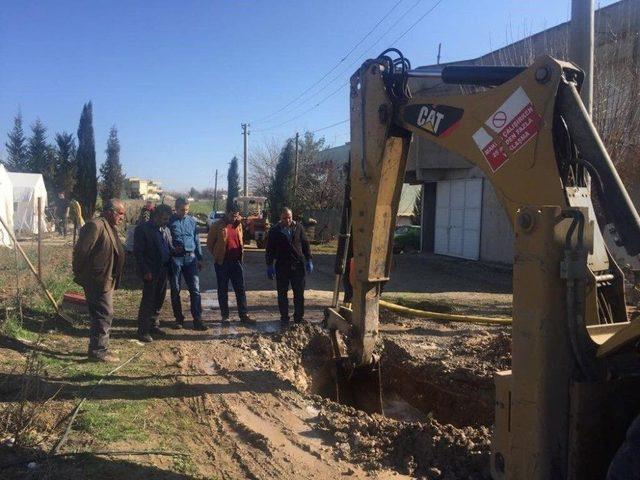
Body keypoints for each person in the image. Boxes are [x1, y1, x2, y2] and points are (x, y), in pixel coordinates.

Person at [72, 199, 125, 362]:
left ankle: (99, 349)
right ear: (111, 212)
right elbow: (81, 252)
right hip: (97, 280)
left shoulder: (108, 225)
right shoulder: (95, 225)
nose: (122, 218)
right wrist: (82, 273)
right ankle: (98, 352)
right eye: (121, 214)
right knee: (103, 314)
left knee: (102, 315)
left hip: (106, 279)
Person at [265, 207, 313, 325]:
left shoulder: (299, 228)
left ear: (292, 217)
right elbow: (269, 249)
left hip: (298, 265)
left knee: (299, 293)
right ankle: (284, 318)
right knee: (282, 293)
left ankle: (298, 317)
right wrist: (269, 265)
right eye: (284, 218)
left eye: (289, 217)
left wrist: (309, 259)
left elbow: (306, 245)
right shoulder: (274, 231)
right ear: (280, 218)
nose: (287, 220)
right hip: (282, 266)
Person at [206, 209, 254, 325]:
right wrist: (217, 254)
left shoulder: (238, 225)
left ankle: (244, 315)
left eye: (236, 216)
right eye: (232, 215)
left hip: (236, 262)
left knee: (240, 289)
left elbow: (240, 240)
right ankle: (225, 316)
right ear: (227, 214)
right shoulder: (217, 225)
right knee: (223, 289)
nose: (234, 218)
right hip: (222, 263)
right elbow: (209, 243)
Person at [134, 204, 173, 342]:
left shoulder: (166, 229)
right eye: (164, 219)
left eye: (168, 219)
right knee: (148, 300)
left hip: (164, 270)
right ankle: (143, 330)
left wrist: (175, 251)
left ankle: (153, 325)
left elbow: (168, 248)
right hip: (151, 271)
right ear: (156, 217)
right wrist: (145, 271)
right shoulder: (142, 230)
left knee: (159, 299)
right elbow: (138, 254)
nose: (166, 221)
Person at [168, 197, 206, 330]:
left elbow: (196, 240)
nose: (185, 212)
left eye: (187, 210)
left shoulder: (191, 221)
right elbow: (165, 240)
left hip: (191, 259)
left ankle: (197, 319)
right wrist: (171, 250)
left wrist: (200, 258)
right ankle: (178, 319)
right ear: (176, 208)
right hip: (175, 260)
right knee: (175, 290)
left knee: (195, 290)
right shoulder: (169, 221)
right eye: (182, 210)